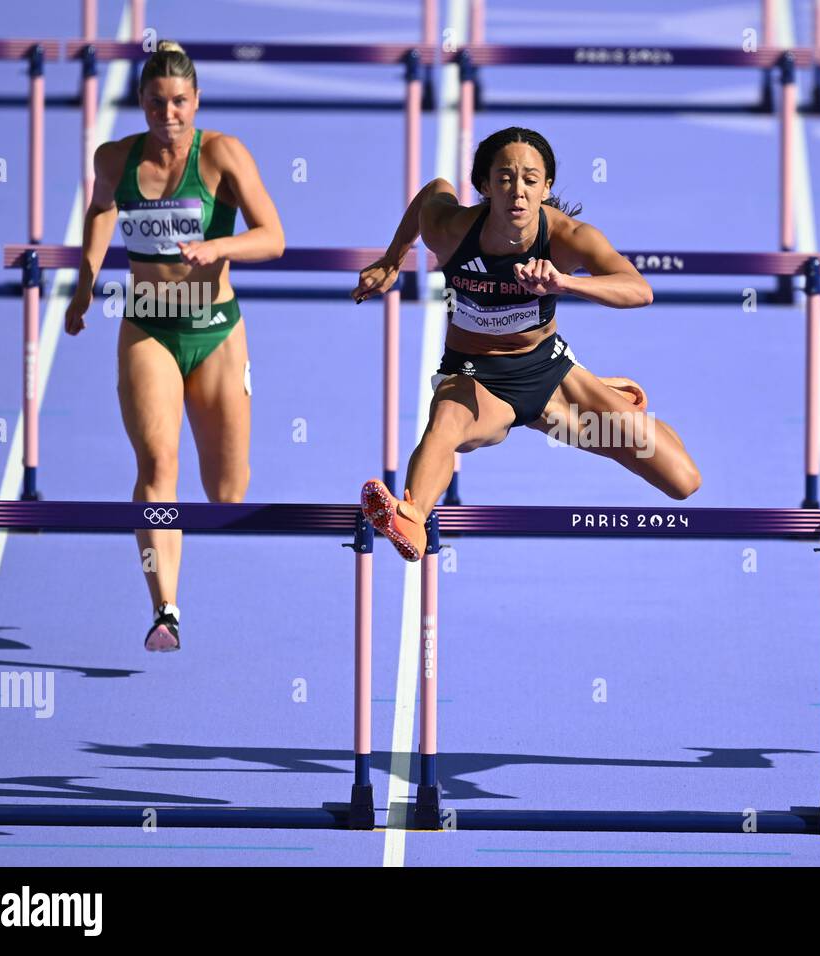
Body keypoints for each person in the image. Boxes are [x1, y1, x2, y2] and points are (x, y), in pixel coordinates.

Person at [353, 127, 701, 559]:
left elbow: (638, 290)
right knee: (446, 422)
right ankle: (411, 517)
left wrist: (565, 283)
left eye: (530, 180)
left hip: (549, 375)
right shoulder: (451, 231)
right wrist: (392, 258)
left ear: (546, 187)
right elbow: (434, 193)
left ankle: (616, 403)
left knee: (683, 480)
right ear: (485, 186)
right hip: (474, 376)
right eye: (504, 178)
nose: (517, 191)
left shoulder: (567, 237)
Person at [65, 41, 285, 649]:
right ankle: (166, 609)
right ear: (141, 103)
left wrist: (219, 248)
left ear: (197, 101)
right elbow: (101, 209)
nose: (169, 115)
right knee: (158, 463)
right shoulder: (115, 158)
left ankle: (174, 587)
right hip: (149, 328)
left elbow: (273, 236)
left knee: (226, 494)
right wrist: (85, 286)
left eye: (180, 103)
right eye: (157, 103)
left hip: (215, 331)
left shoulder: (222, 155)